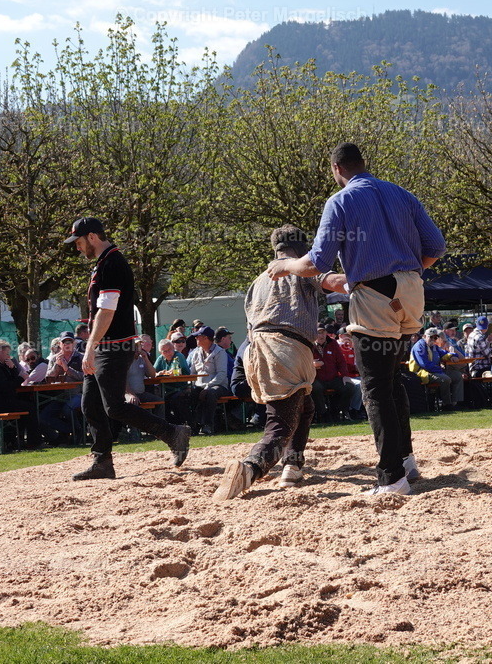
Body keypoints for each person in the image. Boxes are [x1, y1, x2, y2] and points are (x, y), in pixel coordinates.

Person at [266, 143, 446, 496]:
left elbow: (316, 262)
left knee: (375, 389)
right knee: (391, 381)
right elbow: (436, 247)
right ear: (364, 163)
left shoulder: (341, 201)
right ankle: (406, 461)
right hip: (412, 291)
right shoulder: (403, 194)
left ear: (336, 169)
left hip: (375, 296)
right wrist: (405, 274)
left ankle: (392, 478)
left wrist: (285, 265)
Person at [213, 225, 347, 501]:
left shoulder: (259, 280)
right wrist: (369, 279)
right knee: (280, 426)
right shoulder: (302, 267)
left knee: (305, 407)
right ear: (302, 247)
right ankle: (249, 468)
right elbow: (335, 282)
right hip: (286, 348)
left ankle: (293, 465)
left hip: (255, 350)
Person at [64, 217, 191, 479]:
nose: (77, 247)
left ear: (92, 237)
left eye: (78, 241)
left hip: (113, 347)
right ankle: (102, 462)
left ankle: (172, 433)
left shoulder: (112, 263)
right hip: (105, 346)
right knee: (91, 404)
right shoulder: (104, 262)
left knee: (114, 407)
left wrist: (90, 347)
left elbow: (106, 311)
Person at [0, 339, 43, 450]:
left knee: (24, 404)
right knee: (30, 407)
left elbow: (8, 383)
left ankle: (13, 440)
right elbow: (6, 387)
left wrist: (12, 368)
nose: (8, 356)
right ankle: (33, 442)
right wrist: (20, 378)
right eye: (7, 353)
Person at [185, 326, 230, 435]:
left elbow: (221, 374)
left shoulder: (220, 352)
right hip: (199, 385)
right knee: (187, 395)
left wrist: (208, 386)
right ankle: (193, 425)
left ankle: (208, 425)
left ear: (205, 338)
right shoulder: (196, 353)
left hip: (218, 385)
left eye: (198, 337)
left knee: (210, 394)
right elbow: (192, 372)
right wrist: (188, 385)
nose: (196, 339)